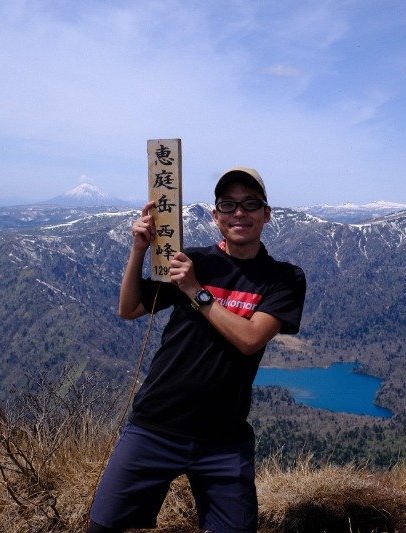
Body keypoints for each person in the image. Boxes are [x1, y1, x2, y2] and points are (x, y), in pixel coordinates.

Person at [88, 167, 306, 533]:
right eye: (229, 205)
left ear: (267, 214)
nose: (240, 213)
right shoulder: (194, 260)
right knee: (104, 526)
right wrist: (139, 250)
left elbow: (251, 339)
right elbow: (129, 310)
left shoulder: (284, 278)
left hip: (223, 438)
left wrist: (195, 290)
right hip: (156, 423)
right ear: (215, 215)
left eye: (251, 204)